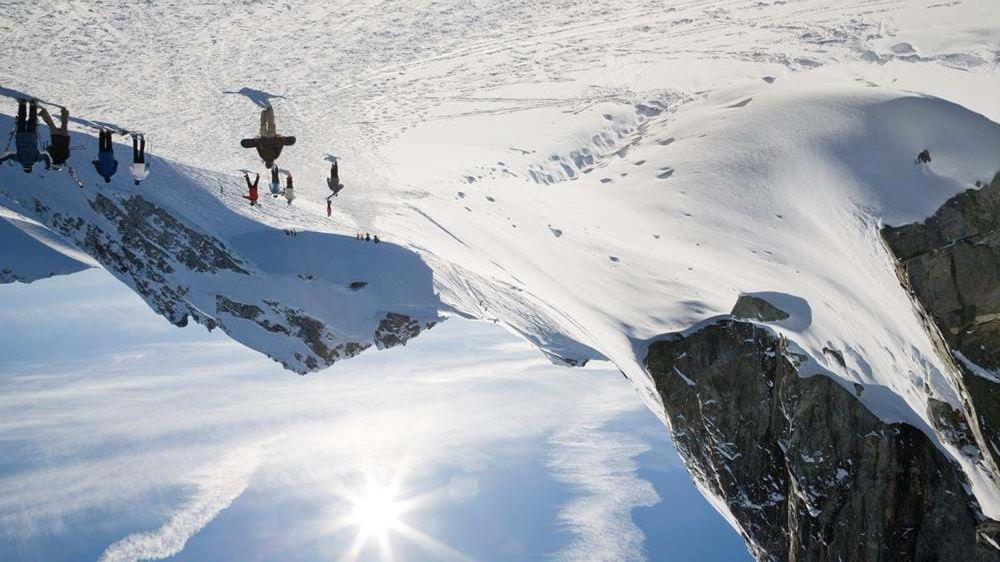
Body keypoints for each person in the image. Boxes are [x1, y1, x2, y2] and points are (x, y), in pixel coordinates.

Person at [1, 99, 50, 173]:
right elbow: (10, 156)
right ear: (24, 167)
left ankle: (33, 105)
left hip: (32, 136)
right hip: (20, 135)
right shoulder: (19, 159)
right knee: (21, 119)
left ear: (31, 167)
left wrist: (48, 165)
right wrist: (1, 160)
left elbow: (46, 156)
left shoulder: (36, 159)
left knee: (32, 120)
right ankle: (22, 104)